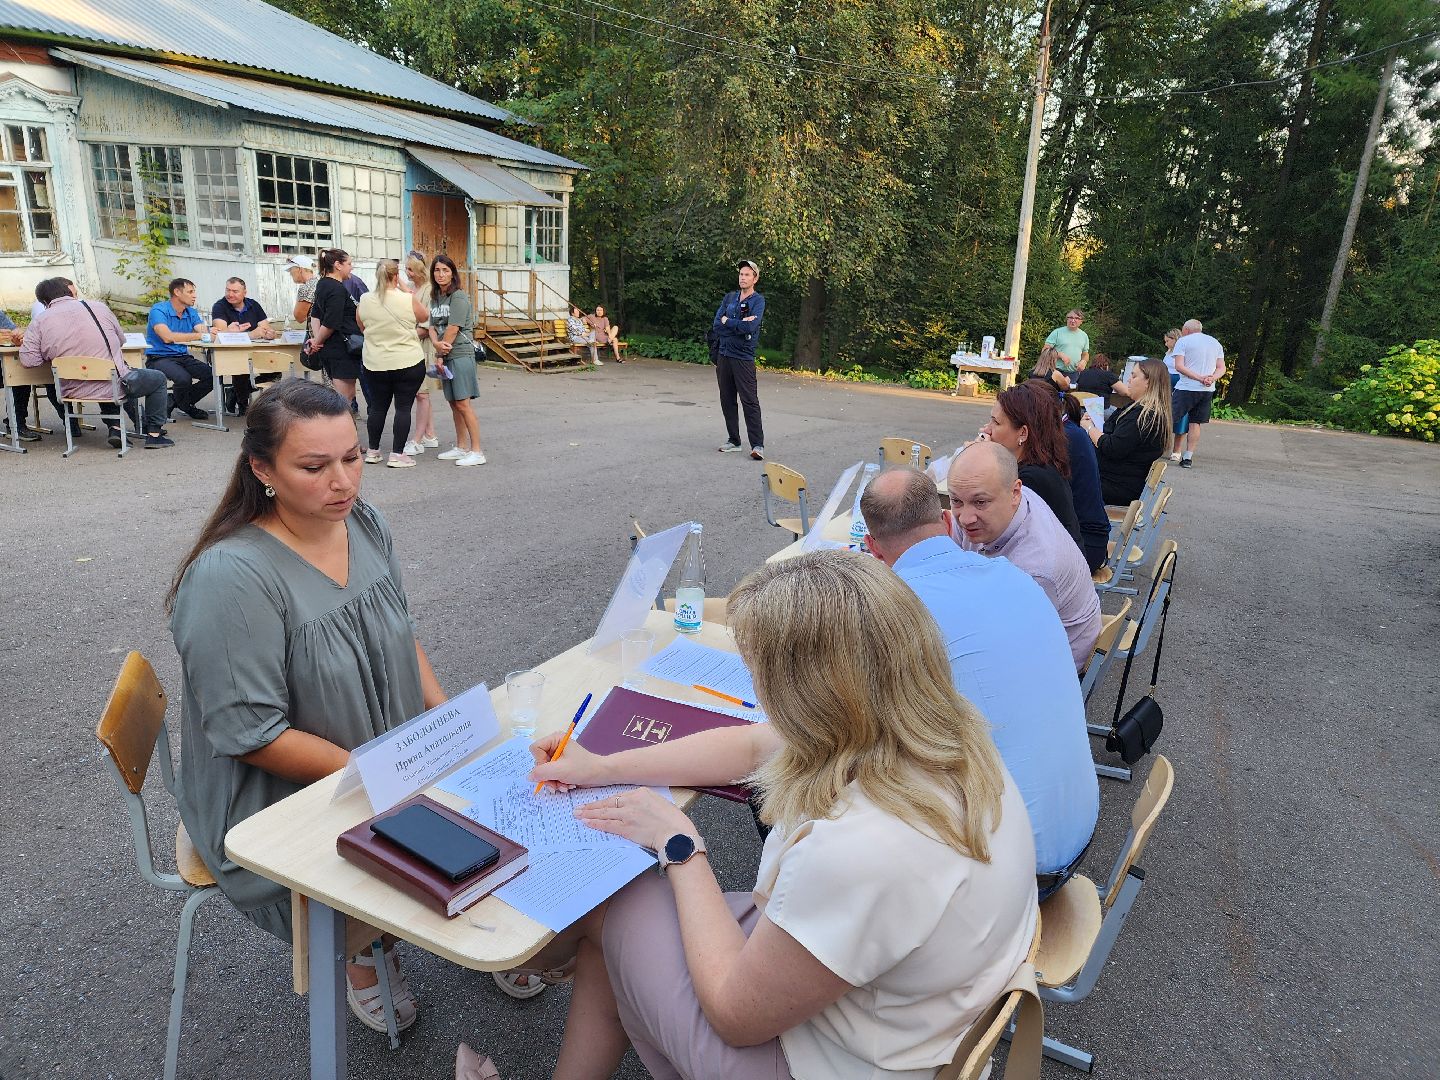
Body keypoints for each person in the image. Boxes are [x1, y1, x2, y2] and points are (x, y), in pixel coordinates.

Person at [471, 551, 1037, 1080]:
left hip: (828, 1058)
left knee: (614, 906)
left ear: (812, 694)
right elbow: (750, 747)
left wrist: (681, 847)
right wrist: (599, 766)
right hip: (907, 1016)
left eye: (760, 675)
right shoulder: (941, 738)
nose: (757, 692)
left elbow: (734, 1018)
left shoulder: (863, 848)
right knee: (617, 930)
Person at [167, 378, 446, 1036]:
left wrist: (448, 722)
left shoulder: (363, 522)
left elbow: (401, 632)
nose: (344, 482)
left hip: (380, 753)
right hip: (275, 796)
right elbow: (252, 736)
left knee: (498, 800)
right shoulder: (231, 577)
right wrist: (382, 778)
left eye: (352, 457)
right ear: (262, 470)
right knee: (444, 848)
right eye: (315, 467)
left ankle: (496, 934)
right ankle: (366, 949)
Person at [860, 467, 1099, 887]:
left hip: (1013, 874)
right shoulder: (1017, 576)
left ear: (872, 549)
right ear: (948, 522)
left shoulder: (894, 614)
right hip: (1078, 828)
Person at [947, 442, 1102, 670]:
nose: (965, 518)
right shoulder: (1006, 501)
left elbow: (1004, 643)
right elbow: (950, 564)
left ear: (1015, 493)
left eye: (980, 502)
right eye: (956, 501)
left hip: (1054, 662)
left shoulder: (1035, 568)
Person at [20, 277, 172, 448]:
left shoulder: (39, 321)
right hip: (113, 385)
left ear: (44, 301)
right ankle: (154, 434)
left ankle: (115, 427)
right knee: (156, 378)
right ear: (70, 292)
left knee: (102, 379)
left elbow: (29, 360)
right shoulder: (98, 307)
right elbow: (121, 341)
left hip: (70, 389)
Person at [979, 382, 1083, 550]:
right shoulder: (1040, 463)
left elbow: (992, 532)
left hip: (1051, 571)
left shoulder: (1030, 480)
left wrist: (981, 458)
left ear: (1023, 433)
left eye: (996, 423)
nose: (987, 429)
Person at [356, 259, 429, 468]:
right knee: (403, 407)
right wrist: (404, 289)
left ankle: (373, 451)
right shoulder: (407, 299)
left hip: (375, 363)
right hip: (408, 361)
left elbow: (361, 325)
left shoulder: (365, 299)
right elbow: (424, 315)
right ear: (396, 276)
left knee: (377, 407)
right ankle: (397, 455)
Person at [1080, 355, 1173, 505]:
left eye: (1134, 376)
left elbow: (1112, 448)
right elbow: (1116, 437)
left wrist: (1089, 428)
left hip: (1115, 486)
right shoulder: (1144, 411)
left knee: (1056, 483)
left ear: (1148, 382)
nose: (1128, 380)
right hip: (1116, 480)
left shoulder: (1142, 416)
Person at [427, 254, 486, 466]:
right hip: (444, 354)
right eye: (437, 270)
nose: (441, 274)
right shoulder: (435, 298)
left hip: (460, 354)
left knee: (463, 403)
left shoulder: (458, 297)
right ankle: (461, 447)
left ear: (453, 273)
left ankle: (477, 451)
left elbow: (453, 329)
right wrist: (436, 346)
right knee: (453, 404)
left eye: (445, 270)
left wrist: (440, 354)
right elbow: (432, 327)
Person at [1048, 386, 1111, 572]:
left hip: (1085, 546)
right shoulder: (1069, 431)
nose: (989, 428)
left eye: (998, 422)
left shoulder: (1062, 439)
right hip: (1090, 538)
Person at [712, 259, 766, 460]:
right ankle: (734, 440)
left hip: (743, 357)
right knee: (727, 399)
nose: (743, 277)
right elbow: (717, 325)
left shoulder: (758, 301)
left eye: (747, 275)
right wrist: (738, 323)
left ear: (755, 278)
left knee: (749, 401)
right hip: (724, 355)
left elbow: (750, 328)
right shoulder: (729, 298)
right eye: (741, 274)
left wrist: (730, 322)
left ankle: (757, 445)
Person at [145, 277, 214, 420]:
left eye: (194, 292)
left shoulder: (191, 312)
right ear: (177, 292)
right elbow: (167, 337)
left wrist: (221, 331)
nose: (194, 295)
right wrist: (198, 335)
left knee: (213, 375)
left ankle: (177, 401)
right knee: (183, 379)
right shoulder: (158, 310)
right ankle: (186, 405)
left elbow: (202, 330)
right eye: (190, 292)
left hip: (182, 356)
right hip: (159, 357)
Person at [303, 248, 363, 405]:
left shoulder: (322, 284)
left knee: (346, 396)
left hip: (333, 349)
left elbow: (315, 315)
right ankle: (342, 428)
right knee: (344, 398)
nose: (351, 267)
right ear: (338, 265)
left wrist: (318, 340)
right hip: (341, 350)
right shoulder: (336, 288)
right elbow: (330, 322)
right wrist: (317, 341)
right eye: (349, 263)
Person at [211, 277, 276, 415]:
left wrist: (268, 333)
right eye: (228, 290)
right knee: (241, 369)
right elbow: (220, 334)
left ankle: (235, 391)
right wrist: (250, 335)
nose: (230, 294)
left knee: (275, 370)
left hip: (255, 351)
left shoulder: (253, 305)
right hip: (229, 353)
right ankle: (242, 404)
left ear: (244, 292)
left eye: (235, 291)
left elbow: (265, 327)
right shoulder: (219, 306)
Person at [1170, 318, 1225, 468]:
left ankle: (1152, 448)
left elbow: (1179, 366)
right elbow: (1221, 367)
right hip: (1207, 390)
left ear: (1186, 330)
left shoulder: (1183, 341)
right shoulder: (1215, 343)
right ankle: (1188, 457)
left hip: (1186, 387)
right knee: (1196, 423)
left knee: (1169, 418)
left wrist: (1199, 378)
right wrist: (1211, 378)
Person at [402, 252, 439, 456]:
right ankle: (430, 434)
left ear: (419, 270)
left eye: (410, 269)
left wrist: (401, 335)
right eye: (406, 268)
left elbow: (426, 327)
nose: (407, 272)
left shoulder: (429, 291)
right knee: (420, 393)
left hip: (424, 346)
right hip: (412, 345)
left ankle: (417, 440)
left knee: (421, 393)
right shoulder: (412, 289)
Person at [1160, 327, 1187, 454]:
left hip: (1179, 383)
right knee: (1163, 414)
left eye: (1167, 341)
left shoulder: (1184, 352)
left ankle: (1177, 450)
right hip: (1166, 383)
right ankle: (1163, 446)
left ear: (1174, 339)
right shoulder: (1168, 352)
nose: (1165, 344)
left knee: (1180, 416)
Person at [1044, 309, 1089, 377]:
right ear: (1067, 319)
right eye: (1070, 317)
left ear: (1081, 321)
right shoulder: (1057, 332)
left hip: (1074, 374)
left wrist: (1084, 361)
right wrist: (1059, 355)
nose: (1073, 320)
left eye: (1077, 318)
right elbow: (1044, 351)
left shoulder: (1084, 335)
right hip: (1055, 371)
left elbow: (1085, 354)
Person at [287, 254, 318, 324]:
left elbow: (299, 317)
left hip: (315, 333)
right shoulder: (319, 282)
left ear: (300, 269)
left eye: (291, 269)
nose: (290, 273)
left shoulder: (306, 287)